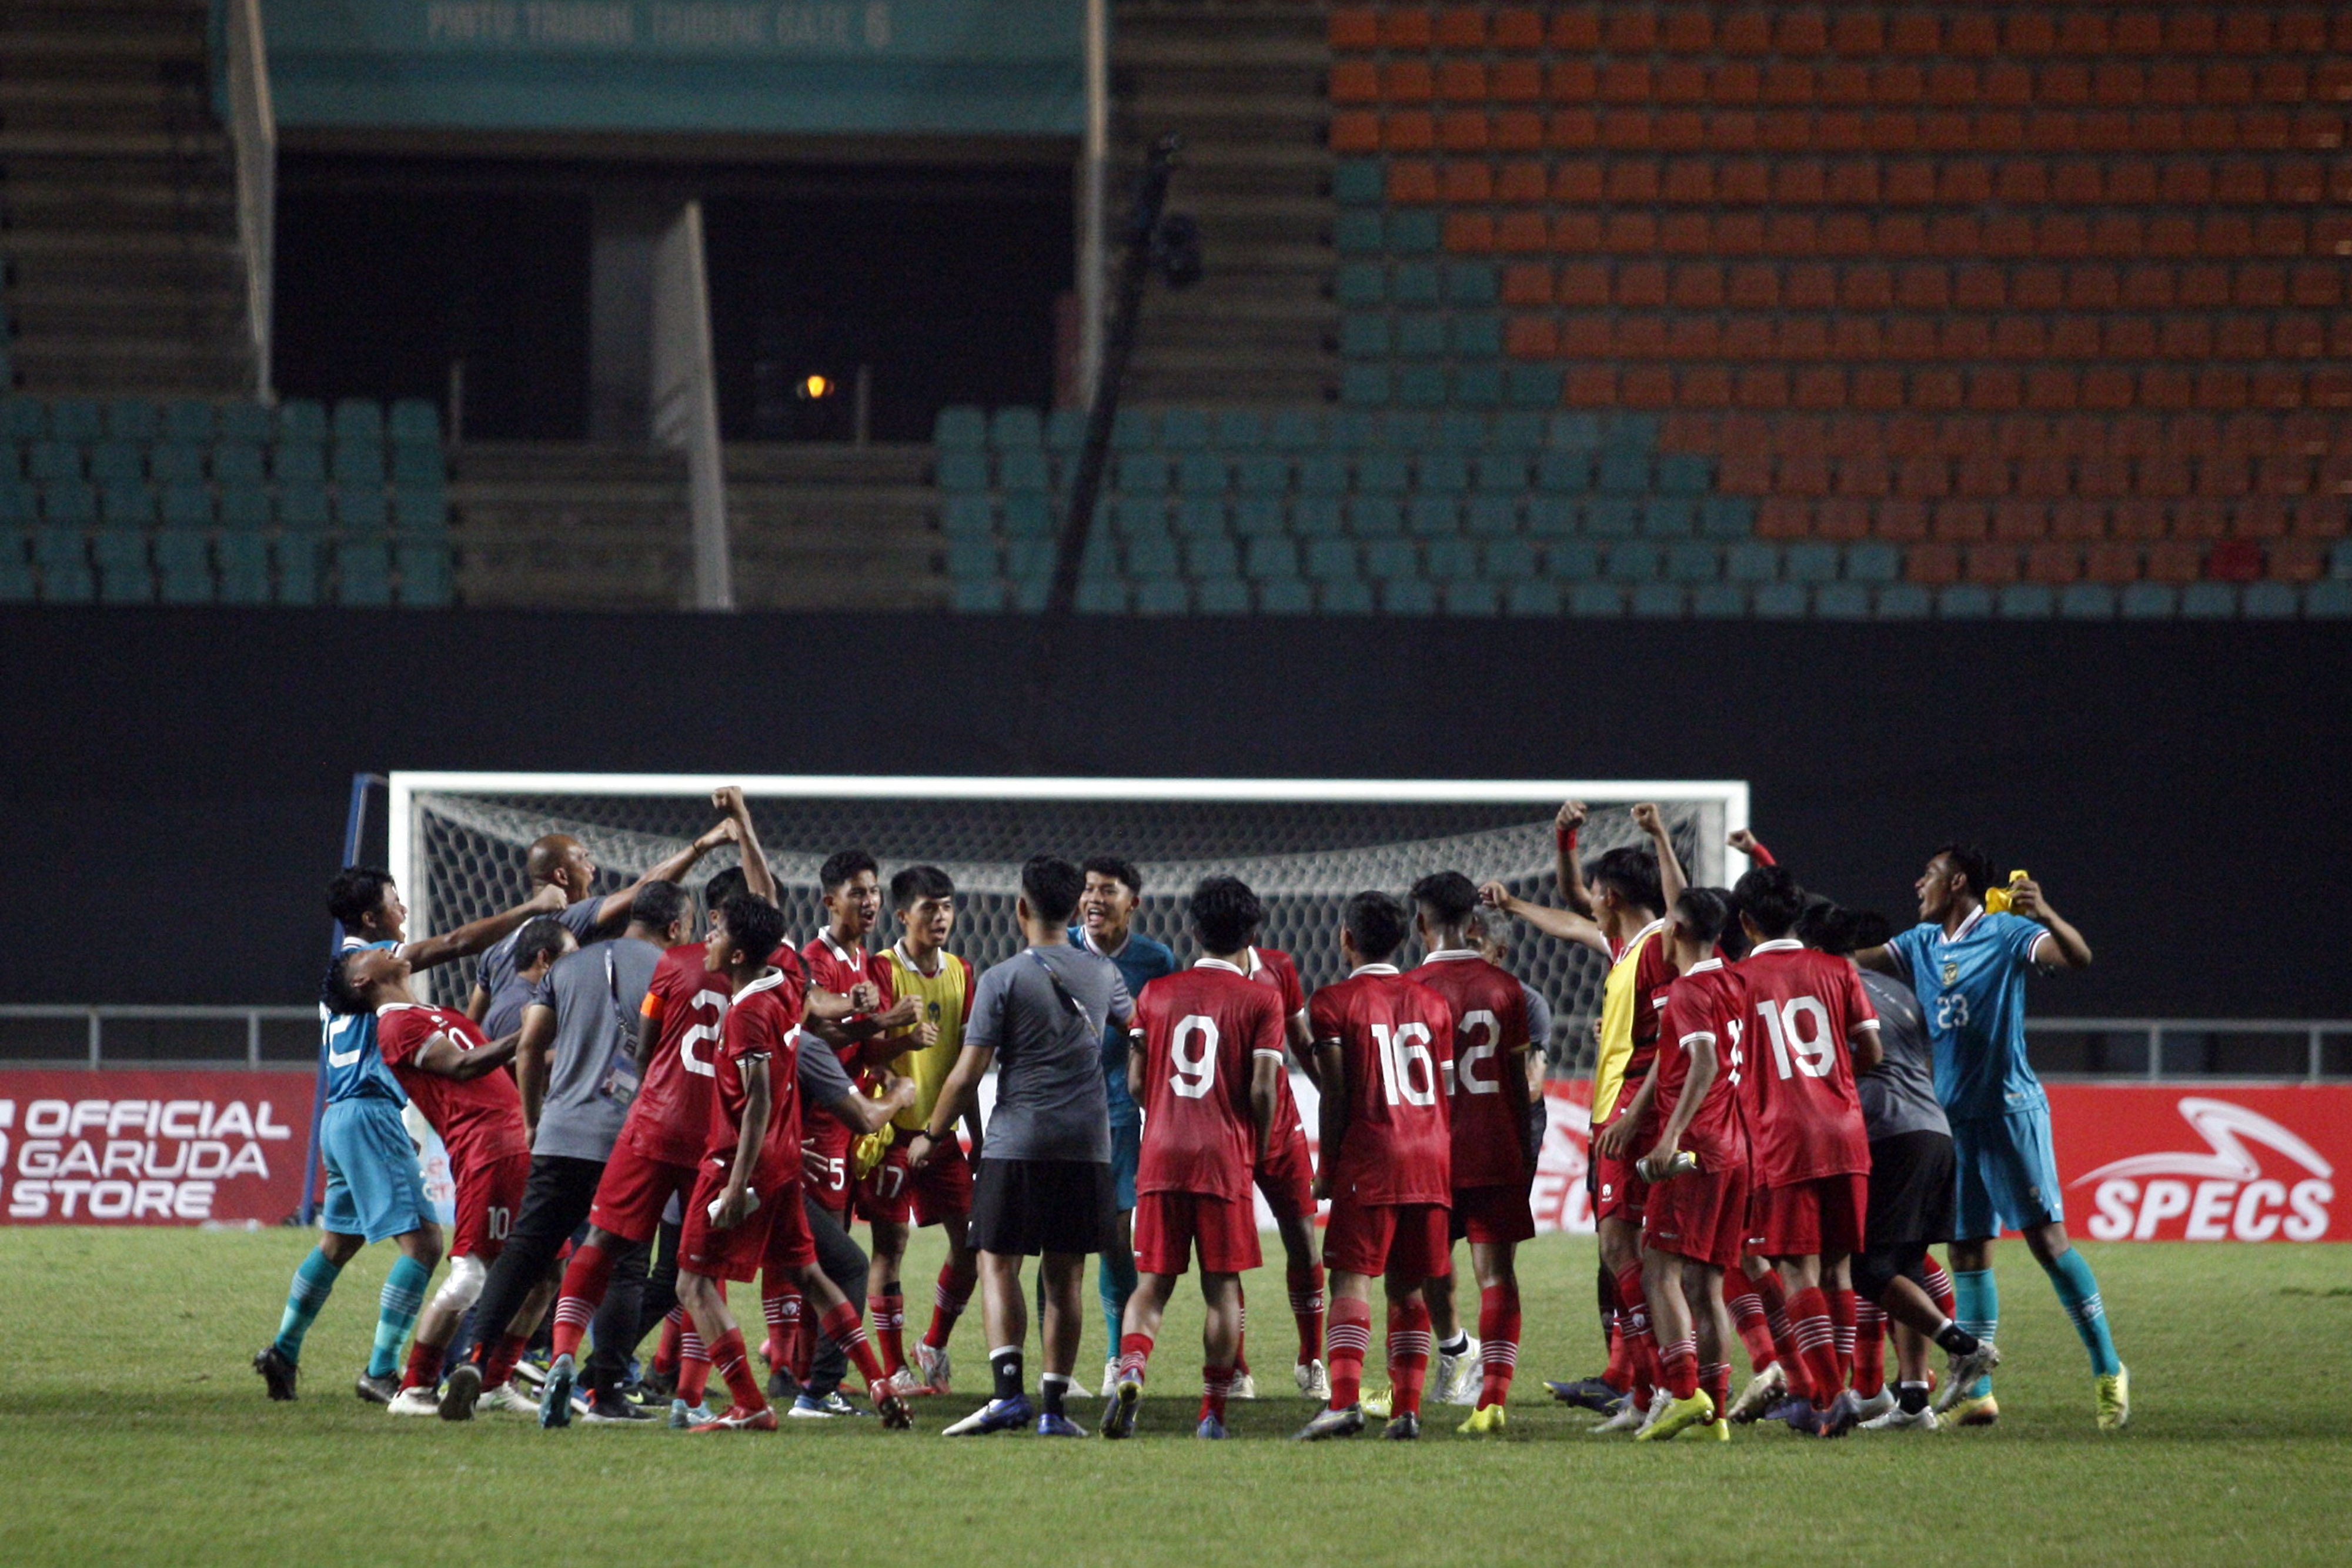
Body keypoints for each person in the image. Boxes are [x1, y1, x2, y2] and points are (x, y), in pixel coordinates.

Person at [436, 791, 761, 1423]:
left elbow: (529, 1049)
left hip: (558, 1130)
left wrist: (533, 1117)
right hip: (629, 1136)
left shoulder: (569, 964)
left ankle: (476, 1356)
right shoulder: (677, 969)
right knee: (625, 1262)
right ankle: (604, 1388)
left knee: (529, 1247)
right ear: (676, 928)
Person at [252, 868, 562, 1403]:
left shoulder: (341, 976)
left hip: (344, 1113)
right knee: (425, 1244)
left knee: (338, 1241)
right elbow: (457, 942)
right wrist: (531, 909)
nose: (404, 914)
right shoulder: (371, 964)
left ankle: (284, 1347)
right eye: (396, 903)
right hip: (368, 1112)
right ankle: (384, 1369)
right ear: (372, 918)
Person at [1857, 844, 2121, 1430]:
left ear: (1954, 883)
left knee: (2047, 1244)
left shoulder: (2004, 933)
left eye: (1926, 874)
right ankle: (1977, 1392)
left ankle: (2108, 1371)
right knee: (1968, 1252)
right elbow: (1855, 958)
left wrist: (2047, 914)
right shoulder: (1921, 943)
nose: (1916, 883)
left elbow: (2076, 957)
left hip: (2008, 1111)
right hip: (1949, 1120)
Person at [673, 892, 914, 1433]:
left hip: (742, 1162)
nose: (708, 939)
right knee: (808, 1273)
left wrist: (735, 1185)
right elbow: (773, 925)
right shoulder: (783, 985)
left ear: (738, 954)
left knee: (692, 1283)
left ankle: (749, 1403)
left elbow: (757, 1099)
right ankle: (877, 1379)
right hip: (785, 1164)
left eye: (719, 932)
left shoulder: (747, 1014)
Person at [914, 855, 1133, 1437]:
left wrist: (931, 1134)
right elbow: (1138, 1035)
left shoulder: (1003, 977)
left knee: (996, 1261)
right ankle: (1055, 1411)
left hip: (1018, 1142)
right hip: (1086, 1145)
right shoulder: (1105, 975)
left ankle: (1008, 1395)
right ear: (1073, 911)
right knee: (1066, 1278)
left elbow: (967, 1073)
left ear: (1020, 910)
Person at [1482, 802, 1683, 1426]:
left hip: (1633, 1114)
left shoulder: (1657, 947)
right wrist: (1552, 853)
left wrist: (1655, 837)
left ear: (1615, 895)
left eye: (1597, 893)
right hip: (1611, 1113)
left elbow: (1675, 1039)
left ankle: (1668, 1388)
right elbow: (1567, 910)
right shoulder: (1623, 944)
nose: (1587, 900)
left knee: (1634, 1253)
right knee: (1621, 1252)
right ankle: (1643, 1391)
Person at [1793, 901, 2000, 1433]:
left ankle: (1962, 1345)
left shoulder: (1829, 988)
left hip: (1888, 1134)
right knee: (1906, 1266)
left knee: (1868, 1269)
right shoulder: (1901, 992)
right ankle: (1912, 1401)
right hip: (1933, 1128)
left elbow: (1850, 1056)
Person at [1102, 877, 1284, 1440]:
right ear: (1253, 934)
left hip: (1161, 1151)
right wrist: (1260, 1138)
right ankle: (1211, 1413)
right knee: (1221, 1287)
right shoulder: (1260, 998)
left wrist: (1160, 1103)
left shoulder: (1156, 993)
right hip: (1222, 1155)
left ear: (1194, 930)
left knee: (1152, 1284)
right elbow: (1261, 1089)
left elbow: (1135, 1080)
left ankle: (1132, 1365)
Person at [321, 947, 532, 1416]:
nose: (388, 950)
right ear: (362, 981)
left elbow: (499, 1066)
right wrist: (534, 1029)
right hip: (485, 1146)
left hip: (519, 1141)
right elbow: (463, 1065)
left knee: (547, 1272)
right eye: (373, 953)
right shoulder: (395, 1026)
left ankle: (496, 1381)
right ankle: (414, 1387)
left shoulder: (437, 1012)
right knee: (471, 1273)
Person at [1294, 892, 1455, 1442]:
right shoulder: (1434, 1003)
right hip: (1432, 1156)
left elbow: (1336, 1094)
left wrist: (1327, 1166)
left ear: (1346, 938)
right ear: (1405, 936)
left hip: (1374, 1154)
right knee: (1408, 1288)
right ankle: (1407, 1409)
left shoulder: (1333, 1002)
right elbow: (1448, 1092)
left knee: (1350, 1278)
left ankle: (1342, 1402)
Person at [1734, 864, 1882, 1438]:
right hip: (1844, 1131)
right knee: (1839, 1268)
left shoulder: (1737, 980)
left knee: (1796, 1269)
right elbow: (1870, 1047)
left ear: (1745, 923)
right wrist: (1833, 1082)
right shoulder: (1837, 968)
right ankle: (1835, 1390)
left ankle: (1827, 1393)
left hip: (1781, 1138)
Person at [795, 850, 926, 1408]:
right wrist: (882, 1022)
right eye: (857, 892)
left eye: (873, 891)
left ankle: (802, 1372)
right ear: (830, 900)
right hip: (811, 1129)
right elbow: (810, 1039)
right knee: (831, 1262)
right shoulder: (814, 960)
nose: (870, 901)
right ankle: (814, 1381)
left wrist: (900, 1040)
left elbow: (863, 1047)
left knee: (819, 1262)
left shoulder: (866, 962)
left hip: (844, 1131)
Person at [1406, 871, 1534, 1435]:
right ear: (1474, 924)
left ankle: (1447, 1355)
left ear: (1420, 924)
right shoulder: (1505, 989)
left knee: (1424, 1268)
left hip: (1430, 1152)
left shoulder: (1409, 990)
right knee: (1497, 1272)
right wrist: (1522, 1155)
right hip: (1494, 1148)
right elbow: (1517, 1081)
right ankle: (1493, 1397)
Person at [1628, 887, 1749, 1443]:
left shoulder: (1689, 988)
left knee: (1659, 1267)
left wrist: (1669, 1135)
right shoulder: (1734, 981)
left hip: (1696, 1149)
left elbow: (1704, 1061)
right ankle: (1716, 1413)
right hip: (1735, 1149)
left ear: (1674, 930)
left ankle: (1681, 1393)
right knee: (1707, 1283)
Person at [873, 864, 986, 1395]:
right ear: (903, 915)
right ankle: (894, 1367)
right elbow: (861, 1056)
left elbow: (968, 1066)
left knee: (973, 1245)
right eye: (928, 908)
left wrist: (976, 1136)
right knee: (888, 1247)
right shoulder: (880, 971)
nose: (940, 916)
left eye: (946, 906)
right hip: (891, 1137)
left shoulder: (963, 972)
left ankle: (933, 1343)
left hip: (940, 1139)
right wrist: (903, 1039)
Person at [1073, 855, 1178, 1396]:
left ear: (1132, 902)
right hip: (1060, 1107)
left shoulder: (1156, 960)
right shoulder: (1058, 949)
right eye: (1088, 889)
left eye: (1107, 891)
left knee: (1116, 1235)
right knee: (1057, 1236)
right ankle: (1059, 1370)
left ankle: (1117, 1358)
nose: (1094, 899)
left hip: (1118, 1108)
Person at [464, 823, 735, 1025]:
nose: (592, 868)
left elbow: (472, 1023)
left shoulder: (499, 944)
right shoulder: (571, 917)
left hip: (502, 1060)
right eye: (583, 859)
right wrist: (705, 844)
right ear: (561, 875)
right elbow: (645, 889)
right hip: (544, 1055)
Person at [1237, 938, 1328, 1399]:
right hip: (1225, 1129)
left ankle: (1311, 1357)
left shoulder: (1278, 968)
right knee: (1224, 1252)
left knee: (1303, 1238)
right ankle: (1235, 1367)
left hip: (1280, 1129)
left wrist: (1331, 1095)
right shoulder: (1196, 977)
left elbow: (1302, 1039)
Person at [483, 918, 574, 1040]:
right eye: (572, 956)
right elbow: (515, 1058)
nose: (578, 964)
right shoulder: (519, 1006)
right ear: (544, 958)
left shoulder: (526, 996)